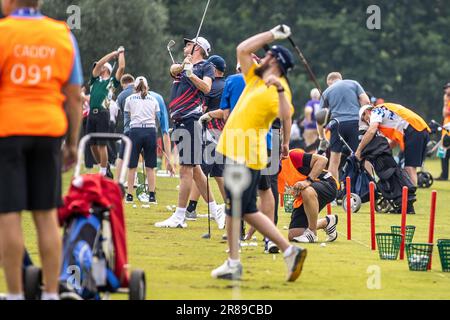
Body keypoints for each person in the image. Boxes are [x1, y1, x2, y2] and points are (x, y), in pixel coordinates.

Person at [0, 0, 83, 300]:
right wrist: (72, 143)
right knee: (46, 214)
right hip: (48, 131)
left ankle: (14, 293)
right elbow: (74, 96)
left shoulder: (3, 32)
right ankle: (50, 293)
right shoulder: (62, 34)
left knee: (9, 214)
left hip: (8, 130)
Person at [212, 25, 307, 282]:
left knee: (244, 209)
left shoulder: (280, 87)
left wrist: (277, 87)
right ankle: (233, 262)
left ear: (274, 61)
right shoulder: (255, 77)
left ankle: (289, 250)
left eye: (266, 56)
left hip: (246, 153)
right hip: (234, 150)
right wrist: (272, 34)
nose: (260, 58)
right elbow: (242, 48)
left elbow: (286, 114)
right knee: (236, 209)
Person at [156, 36, 225, 229]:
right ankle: (215, 208)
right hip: (179, 119)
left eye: (189, 44)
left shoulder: (206, 66)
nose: (185, 46)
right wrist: (183, 67)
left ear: (198, 48)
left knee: (186, 168)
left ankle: (179, 216)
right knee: (194, 169)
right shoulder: (182, 65)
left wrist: (191, 75)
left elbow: (207, 87)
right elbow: (173, 70)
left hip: (191, 119)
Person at [189, 55, 227, 224]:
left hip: (211, 131)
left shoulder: (212, 87)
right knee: (219, 173)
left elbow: (202, 108)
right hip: (225, 133)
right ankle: (230, 207)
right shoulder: (228, 85)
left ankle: (190, 208)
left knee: (201, 171)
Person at [124, 77, 173, 204]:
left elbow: (129, 116)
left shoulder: (129, 99)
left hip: (135, 131)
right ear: (147, 87)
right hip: (150, 131)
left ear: (135, 87)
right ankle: (152, 196)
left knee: (132, 166)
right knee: (150, 166)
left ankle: (129, 195)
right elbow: (155, 116)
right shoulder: (154, 99)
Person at [356, 103, 431, 186]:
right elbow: (394, 142)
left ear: (367, 111)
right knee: (411, 167)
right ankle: (409, 193)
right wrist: (381, 151)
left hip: (413, 129)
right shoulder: (385, 111)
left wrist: (359, 150)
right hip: (420, 129)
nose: (366, 121)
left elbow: (371, 131)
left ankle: (410, 195)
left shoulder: (375, 111)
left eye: (364, 118)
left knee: (409, 168)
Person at [317, 72, 371, 181]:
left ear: (329, 82)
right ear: (340, 79)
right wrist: (365, 120)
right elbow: (366, 101)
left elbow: (319, 118)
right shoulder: (353, 84)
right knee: (362, 155)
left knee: (334, 159)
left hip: (337, 125)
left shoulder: (327, 91)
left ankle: (334, 190)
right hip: (355, 123)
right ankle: (370, 186)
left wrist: (322, 137)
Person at [278, 149, 339, 243]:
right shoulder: (269, 171)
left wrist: (308, 181)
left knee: (306, 190)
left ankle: (312, 233)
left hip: (327, 184)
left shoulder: (293, 155)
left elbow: (323, 160)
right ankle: (326, 222)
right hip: (304, 195)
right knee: (294, 235)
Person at [87, 47, 126, 178]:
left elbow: (121, 68)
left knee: (102, 145)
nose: (98, 68)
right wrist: (112, 54)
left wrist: (120, 53)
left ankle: (103, 172)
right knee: (92, 145)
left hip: (103, 113)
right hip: (91, 114)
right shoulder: (94, 81)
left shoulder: (111, 83)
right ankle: (105, 166)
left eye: (102, 67)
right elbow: (98, 64)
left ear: (106, 69)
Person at [116, 74, 135, 181]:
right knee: (139, 156)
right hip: (142, 129)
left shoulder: (121, 95)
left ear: (123, 83)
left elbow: (117, 113)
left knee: (122, 156)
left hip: (128, 129)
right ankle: (135, 180)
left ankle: (118, 181)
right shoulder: (141, 90)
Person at [438, 83, 450, 181]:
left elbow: (446, 112)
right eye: (445, 89)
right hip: (445, 131)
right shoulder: (447, 100)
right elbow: (444, 114)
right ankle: (444, 175)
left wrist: (446, 103)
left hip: (449, 132)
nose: (446, 91)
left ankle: (444, 175)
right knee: (442, 154)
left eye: (447, 88)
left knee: (443, 152)